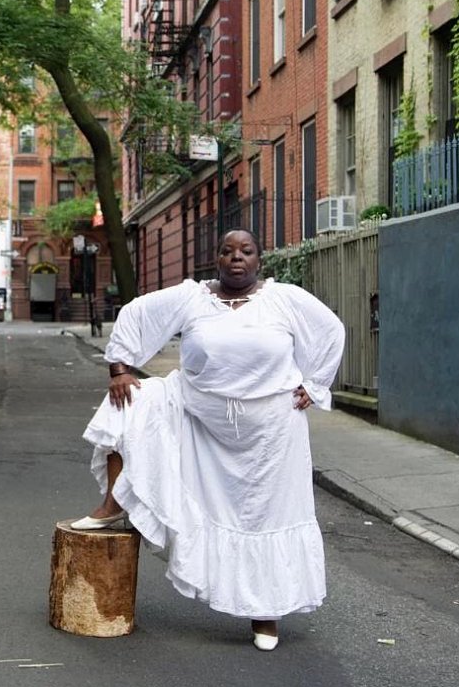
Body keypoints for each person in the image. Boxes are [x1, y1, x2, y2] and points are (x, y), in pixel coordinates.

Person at [70, 228, 345, 651]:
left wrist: (316, 383)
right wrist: (120, 369)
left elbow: (332, 331)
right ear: (215, 259)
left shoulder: (285, 299)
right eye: (227, 251)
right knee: (132, 402)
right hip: (200, 413)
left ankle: (265, 615)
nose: (237, 258)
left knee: (263, 517)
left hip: (271, 431)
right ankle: (113, 504)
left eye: (246, 251)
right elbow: (138, 314)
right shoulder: (192, 297)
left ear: (259, 260)